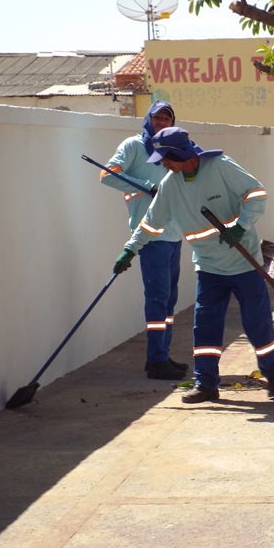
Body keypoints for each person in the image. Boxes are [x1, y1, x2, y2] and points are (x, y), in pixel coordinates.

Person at [112, 127, 274, 404]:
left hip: (244, 262)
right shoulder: (171, 185)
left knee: (257, 323)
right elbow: (151, 221)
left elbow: (256, 193)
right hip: (208, 267)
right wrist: (130, 250)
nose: (163, 164)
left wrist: (241, 227)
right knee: (205, 326)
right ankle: (206, 384)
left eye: (166, 158)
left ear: (181, 153)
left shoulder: (220, 167)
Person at [100, 100, 188, 381]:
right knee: (158, 298)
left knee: (170, 300)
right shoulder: (133, 146)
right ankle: (156, 361)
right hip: (150, 235)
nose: (161, 121)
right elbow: (107, 175)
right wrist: (144, 186)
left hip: (175, 233)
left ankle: (162, 355)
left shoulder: (173, 149)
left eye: (167, 117)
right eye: (157, 117)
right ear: (148, 119)